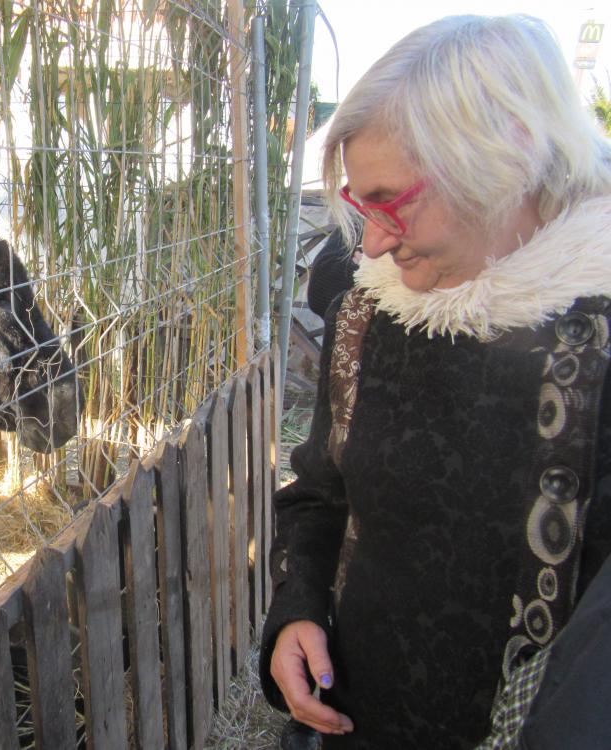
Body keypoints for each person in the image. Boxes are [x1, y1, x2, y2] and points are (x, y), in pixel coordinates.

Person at [259, 14, 611, 750]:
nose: (372, 240)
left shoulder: (596, 345)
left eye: (392, 200)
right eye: (361, 204)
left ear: (510, 154)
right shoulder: (369, 315)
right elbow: (321, 493)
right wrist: (297, 610)